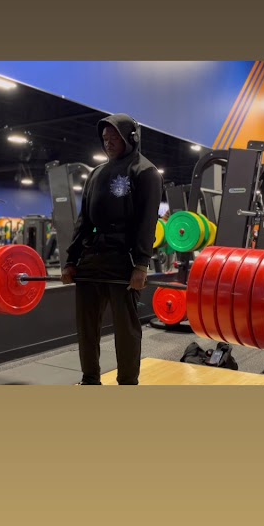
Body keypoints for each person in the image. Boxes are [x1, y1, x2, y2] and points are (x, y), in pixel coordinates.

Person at [61, 114, 163, 385]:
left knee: (126, 330)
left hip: (124, 261)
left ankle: (127, 384)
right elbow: (84, 221)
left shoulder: (145, 172)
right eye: (105, 138)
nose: (108, 143)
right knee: (86, 328)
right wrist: (70, 260)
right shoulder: (96, 173)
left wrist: (141, 264)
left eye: (114, 137)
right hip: (91, 259)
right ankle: (89, 379)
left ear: (131, 137)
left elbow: (147, 222)